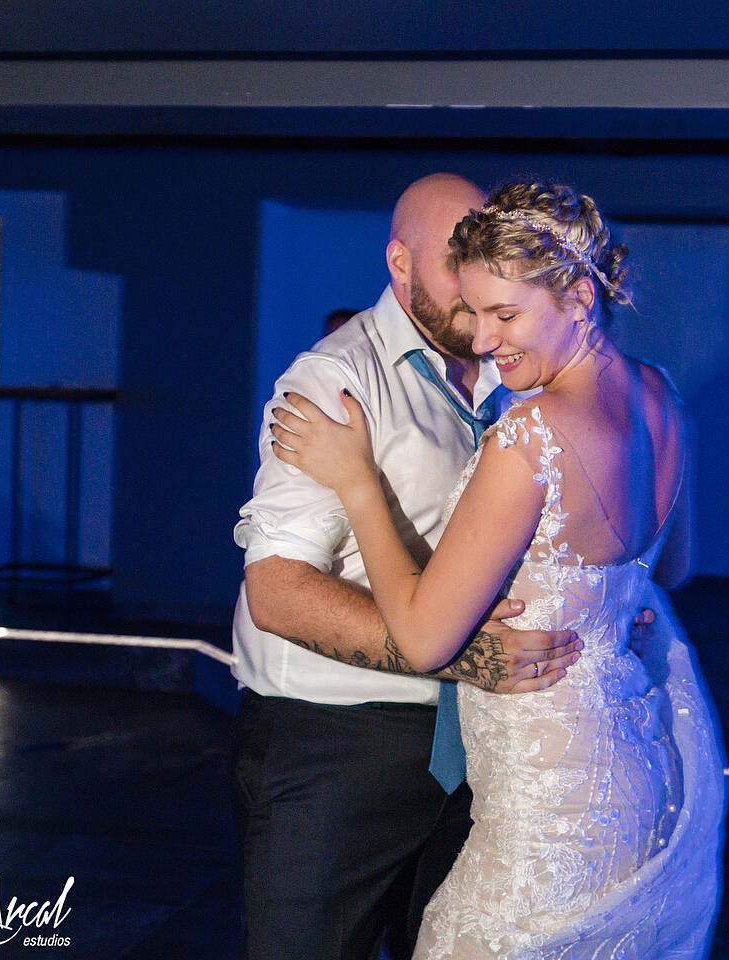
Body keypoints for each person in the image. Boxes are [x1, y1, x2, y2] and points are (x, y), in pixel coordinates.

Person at [268, 179, 725, 959]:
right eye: (474, 313)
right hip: (637, 777)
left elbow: (423, 639)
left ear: (579, 296)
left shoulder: (529, 437)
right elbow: (674, 567)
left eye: (504, 315)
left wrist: (356, 482)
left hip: (547, 812)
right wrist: (602, 606)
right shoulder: (657, 393)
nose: (482, 340)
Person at [232, 173, 585, 960]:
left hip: (475, 748)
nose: (477, 278)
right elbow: (276, 592)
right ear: (400, 264)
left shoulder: (507, 367)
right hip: (337, 747)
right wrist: (460, 654)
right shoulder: (336, 381)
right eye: (458, 259)